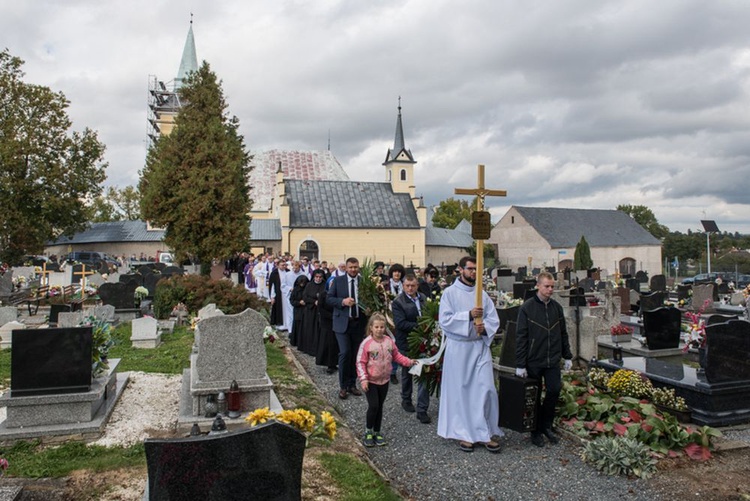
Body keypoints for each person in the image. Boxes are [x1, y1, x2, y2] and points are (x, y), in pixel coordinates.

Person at [437, 256, 502, 453]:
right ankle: (465, 434)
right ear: (461, 269)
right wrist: (467, 315)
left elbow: (493, 318)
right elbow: (445, 320)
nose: (474, 273)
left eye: (476, 270)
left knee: (487, 388)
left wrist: (485, 328)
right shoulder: (450, 293)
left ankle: (486, 432)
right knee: (463, 392)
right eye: (470, 269)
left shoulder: (481, 294)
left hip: (478, 347)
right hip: (459, 349)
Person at [515, 271, 573, 447]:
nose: (550, 289)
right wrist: (520, 364)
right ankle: (535, 430)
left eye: (552, 286)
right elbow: (521, 337)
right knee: (534, 396)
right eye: (547, 286)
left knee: (554, 391)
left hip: (552, 360)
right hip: (534, 360)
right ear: (538, 286)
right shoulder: (527, 308)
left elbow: (563, 333)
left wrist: (567, 355)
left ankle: (546, 425)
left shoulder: (556, 308)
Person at [356, 313, 416, 447]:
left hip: (384, 380)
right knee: (373, 406)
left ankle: (377, 432)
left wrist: (409, 362)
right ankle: (368, 431)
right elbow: (360, 362)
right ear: (371, 328)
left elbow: (397, 356)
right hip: (371, 381)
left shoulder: (389, 341)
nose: (379, 329)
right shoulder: (367, 343)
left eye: (382, 327)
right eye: (376, 327)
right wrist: (363, 379)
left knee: (380, 406)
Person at [392, 274, 431, 424]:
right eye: (407, 286)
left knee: (423, 373)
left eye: (413, 285)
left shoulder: (423, 298)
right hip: (407, 342)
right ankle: (406, 399)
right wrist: (421, 325)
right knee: (407, 372)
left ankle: (422, 409)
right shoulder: (398, 302)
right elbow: (400, 323)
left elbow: (429, 314)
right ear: (403, 286)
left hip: (424, 341)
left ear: (417, 285)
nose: (410, 288)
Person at [326, 257, 366, 400]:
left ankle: (352, 384)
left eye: (356, 267)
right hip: (342, 323)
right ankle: (343, 386)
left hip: (358, 323)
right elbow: (329, 299)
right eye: (351, 267)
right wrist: (342, 301)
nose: (353, 269)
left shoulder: (363, 282)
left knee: (355, 355)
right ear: (346, 268)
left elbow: (369, 299)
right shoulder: (338, 281)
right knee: (345, 353)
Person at [300, 269, 326, 356]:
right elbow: (305, 296)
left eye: (320, 277)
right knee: (310, 329)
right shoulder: (309, 285)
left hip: (321, 311)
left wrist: (320, 301)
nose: (318, 279)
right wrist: (314, 301)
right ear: (314, 277)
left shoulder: (325, 285)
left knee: (319, 330)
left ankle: (318, 349)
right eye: (317, 277)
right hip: (310, 311)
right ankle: (309, 348)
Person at [289, 274, 309, 348]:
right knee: (297, 326)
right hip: (298, 310)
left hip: (306, 311)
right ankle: (297, 341)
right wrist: (299, 302)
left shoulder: (308, 289)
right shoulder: (296, 290)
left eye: (304, 283)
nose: (302, 285)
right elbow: (292, 300)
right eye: (301, 283)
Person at [268, 259, 285, 329]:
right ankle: (279, 323)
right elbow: (272, 286)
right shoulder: (274, 273)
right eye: (282, 265)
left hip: (286, 294)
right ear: (278, 265)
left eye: (285, 265)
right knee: (278, 308)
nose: (284, 266)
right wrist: (272, 297)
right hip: (278, 294)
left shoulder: (288, 272)